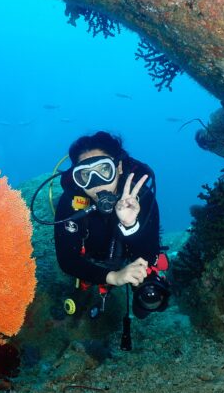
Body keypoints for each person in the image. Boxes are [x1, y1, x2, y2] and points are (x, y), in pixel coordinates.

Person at [54, 131, 168, 328]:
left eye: (104, 170)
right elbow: (67, 260)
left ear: (119, 167)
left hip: (130, 256)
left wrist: (130, 225)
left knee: (148, 299)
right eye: (85, 175)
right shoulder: (72, 203)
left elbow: (149, 255)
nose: (97, 183)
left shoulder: (142, 197)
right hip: (93, 258)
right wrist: (113, 277)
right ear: (77, 178)